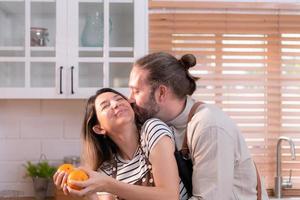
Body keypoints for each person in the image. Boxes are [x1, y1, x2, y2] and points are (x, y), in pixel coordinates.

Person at [128, 52, 269, 200]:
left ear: (161, 93)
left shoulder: (209, 126)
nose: (130, 98)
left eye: (136, 91)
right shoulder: (160, 126)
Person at [53, 88, 188, 200]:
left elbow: (170, 196)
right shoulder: (106, 170)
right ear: (99, 129)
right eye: (105, 106)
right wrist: (89, 193)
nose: (115, 104)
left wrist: (108, 185)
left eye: (119, 99)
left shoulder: (152, 130)